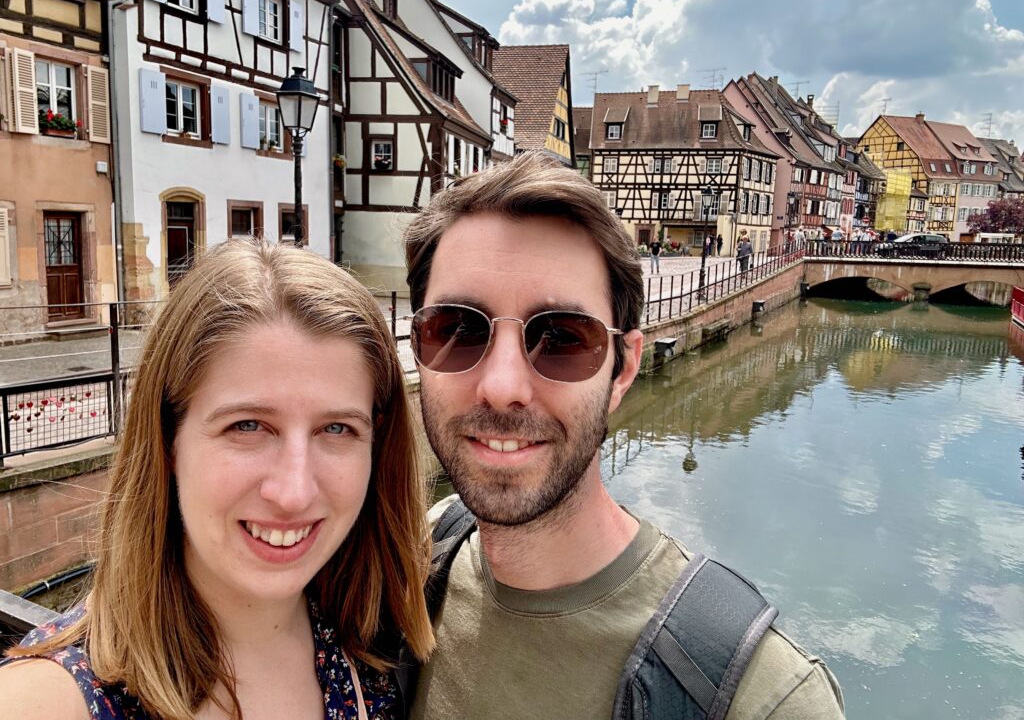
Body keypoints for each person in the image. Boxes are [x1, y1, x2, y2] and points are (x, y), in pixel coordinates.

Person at [401, 154, 844, 719]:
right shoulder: (422, 555)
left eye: (561, 337)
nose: (502, 386)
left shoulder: (763, 698)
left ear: (624, 370)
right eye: (457, 329)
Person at [0, 239, 434, 720]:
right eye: (247, 426)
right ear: (167, 440)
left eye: (337, 428)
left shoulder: (378, 649)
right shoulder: (49, 701)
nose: (294, 493)